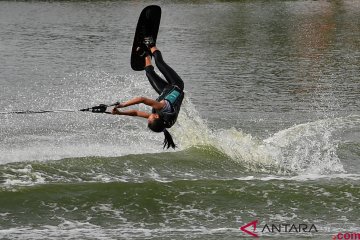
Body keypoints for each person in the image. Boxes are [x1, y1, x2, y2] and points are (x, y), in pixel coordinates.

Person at [112, 37, 184, 149]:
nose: (148, 117)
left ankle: (146, 55)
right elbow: (142, 99)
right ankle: (151, 45)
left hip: (165, 91)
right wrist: (123, 105)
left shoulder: (161, 121)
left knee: (149, 73)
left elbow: (136, 113)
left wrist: (120, 113)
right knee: (160, 63)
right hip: (176, 85)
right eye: (150, 118)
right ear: (155, 116)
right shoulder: (162, 108)